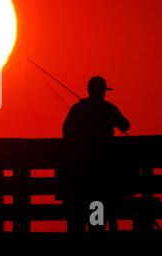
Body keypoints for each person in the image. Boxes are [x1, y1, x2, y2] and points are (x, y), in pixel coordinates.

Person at [60, 76, 130, 235]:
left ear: (88, 90)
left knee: (78, 216)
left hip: (80, 175)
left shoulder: (78, 109)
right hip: (102, 175)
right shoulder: (108, 108)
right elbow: (126, 125)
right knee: (97, 217)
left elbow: (66, 131)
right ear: (103, 92)